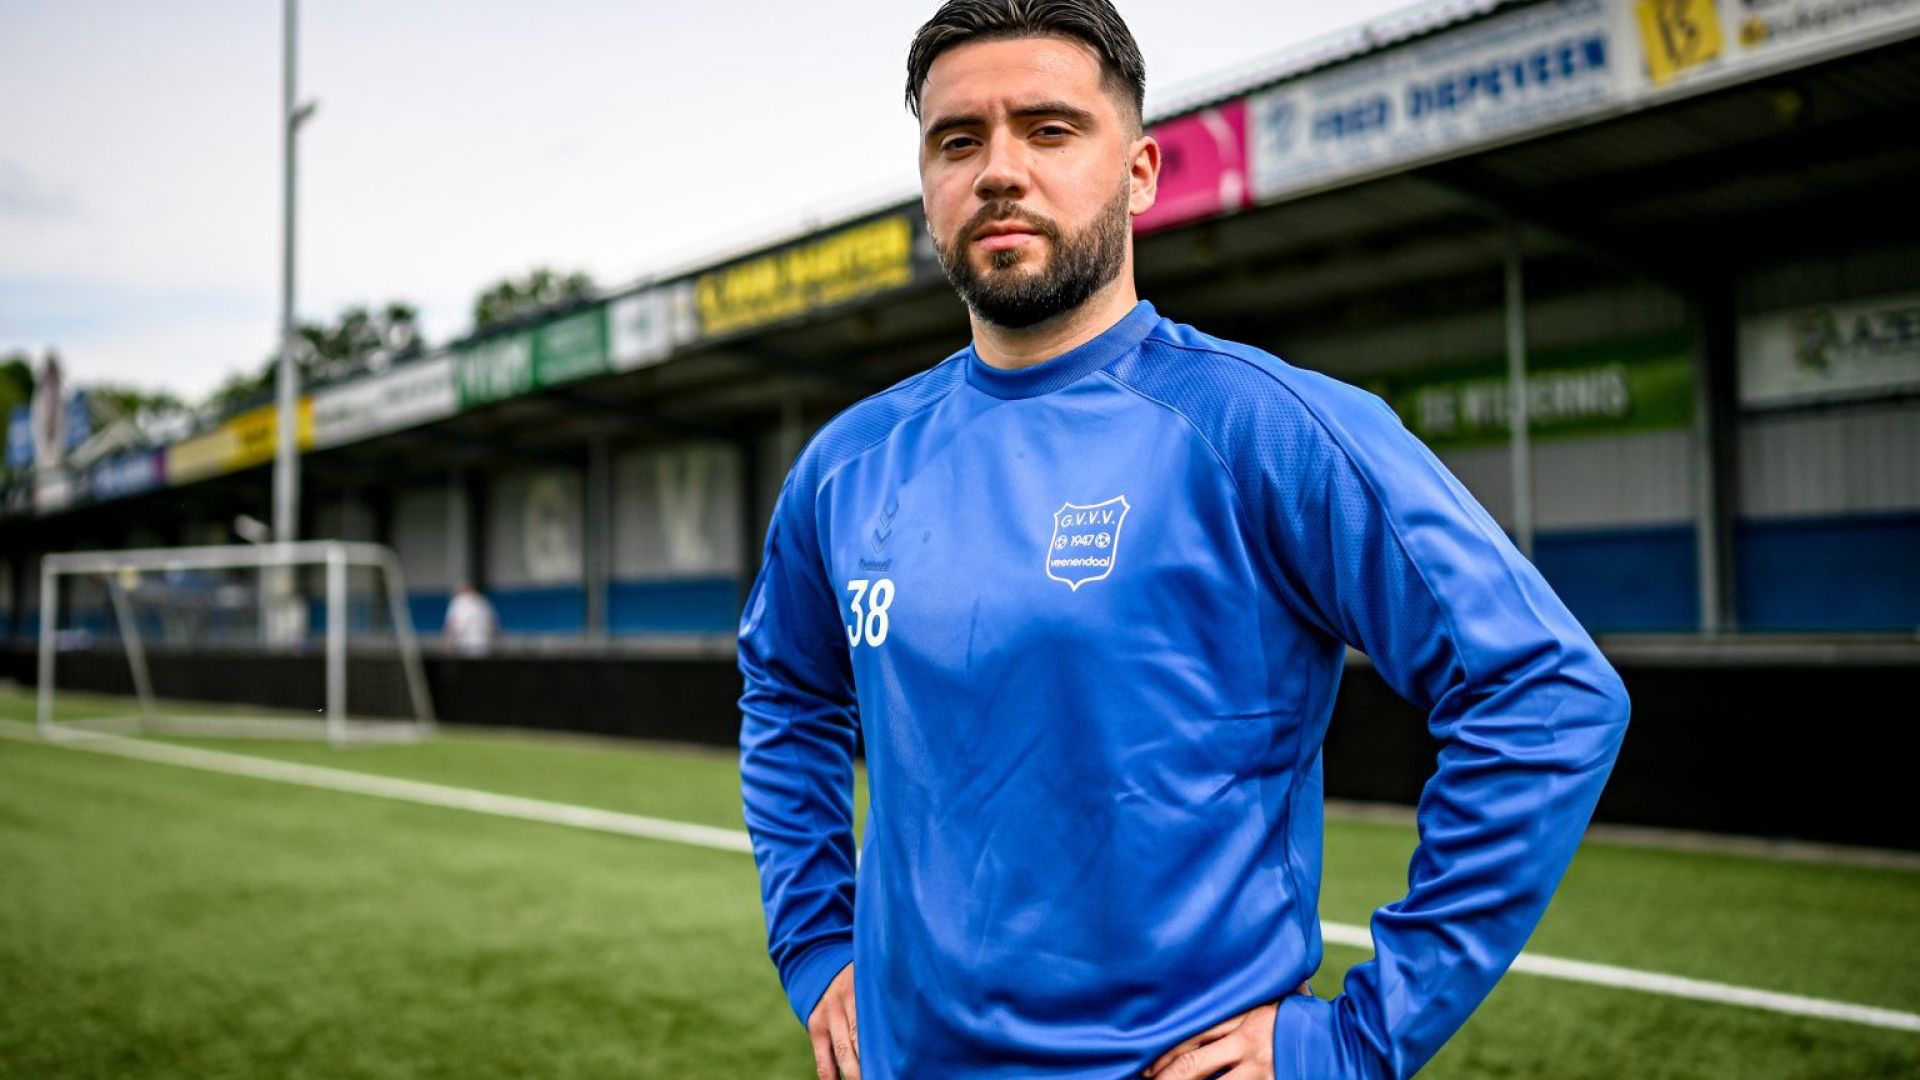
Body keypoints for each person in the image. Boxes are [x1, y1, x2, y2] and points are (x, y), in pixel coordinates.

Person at [737, 2, 1632, 1077]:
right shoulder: (848, 464)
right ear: (928, 182)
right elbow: (786, 690)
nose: (999, 171)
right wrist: (815, 940)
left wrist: (1354, 1039)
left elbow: (1546, 696)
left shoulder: (1265, 429)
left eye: (1051, 130)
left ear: (1141, 172)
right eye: (957, 140)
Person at [442, 582, 497, 657]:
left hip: (468, 644)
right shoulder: (483, 601)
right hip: (481, 644)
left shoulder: (459, 601)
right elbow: (492, 624)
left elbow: (454, 626)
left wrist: (447, 643)